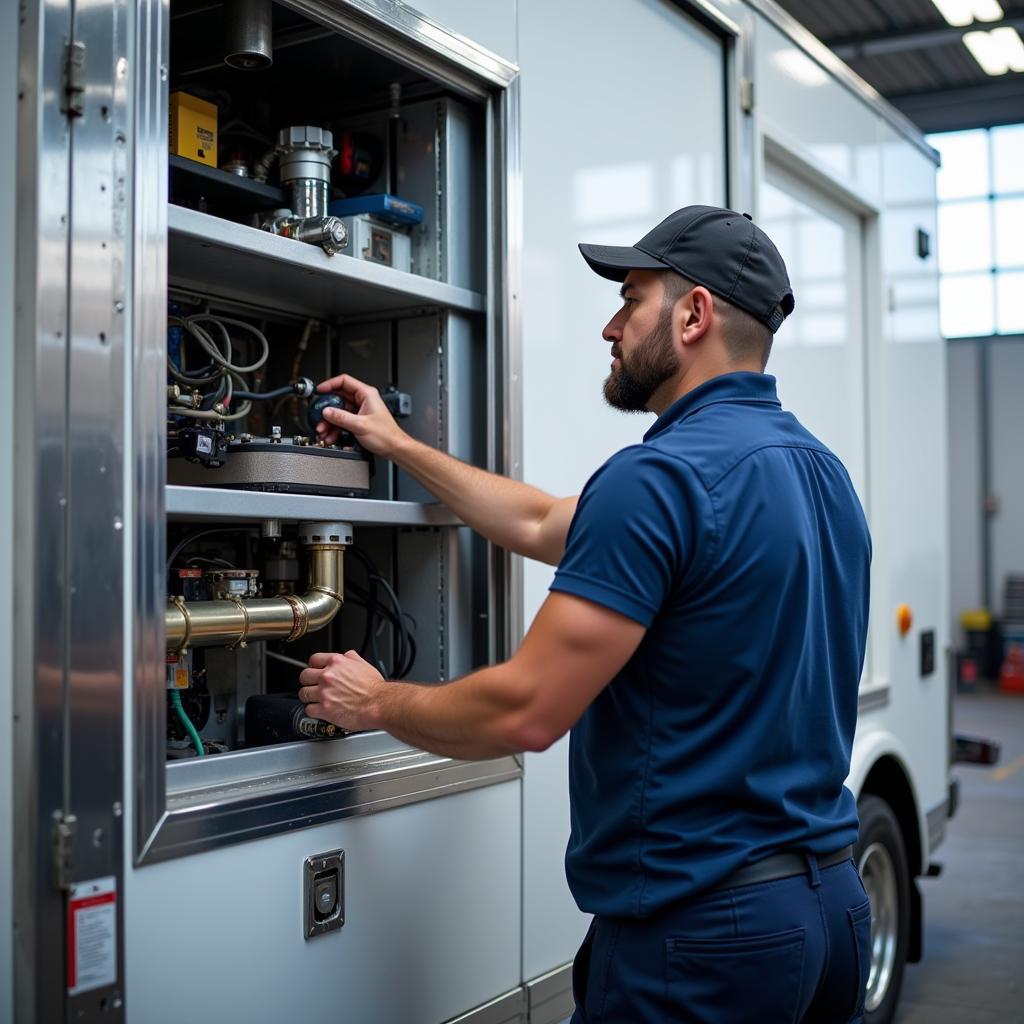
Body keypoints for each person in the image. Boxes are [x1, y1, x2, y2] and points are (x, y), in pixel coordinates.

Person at [298, 205, 873, 1023]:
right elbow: (540, 522)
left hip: (707, 938)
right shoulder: (821, 475)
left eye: (630, 298)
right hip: (830, 913)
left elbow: (528, 712)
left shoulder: (657, 480)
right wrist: (400, 447)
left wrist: (375, 701)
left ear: (694, 314)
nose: (610, 325)